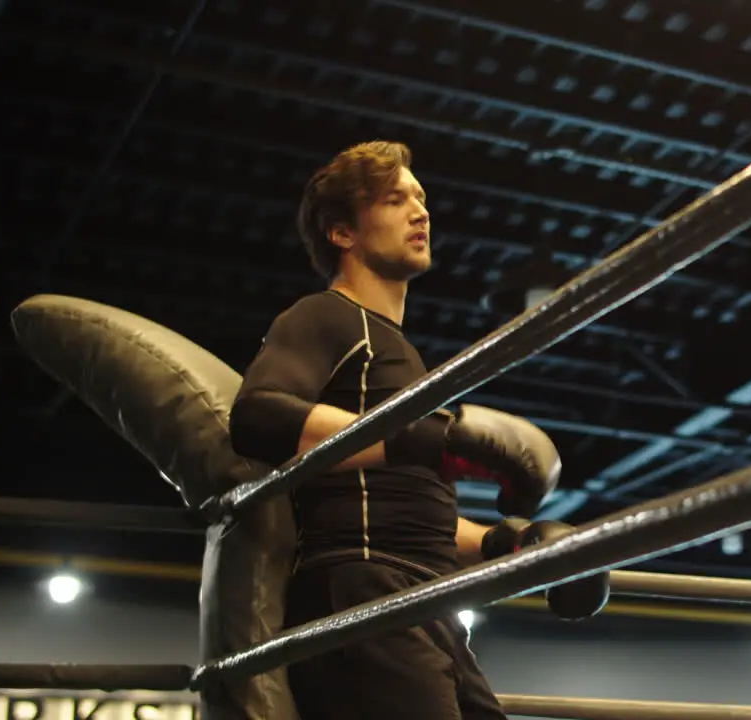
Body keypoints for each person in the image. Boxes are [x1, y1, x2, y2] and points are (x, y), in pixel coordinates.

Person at [228, 140, 607, 720]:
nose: (420, 210)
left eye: (421, 197)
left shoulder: (400, 355)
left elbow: (403, 506)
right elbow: (257, 416)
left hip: (423, 597)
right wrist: (429, 438)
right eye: (393, 198)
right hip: (362, 592)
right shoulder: (325, 315)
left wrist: (506, 542)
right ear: (342, 233)